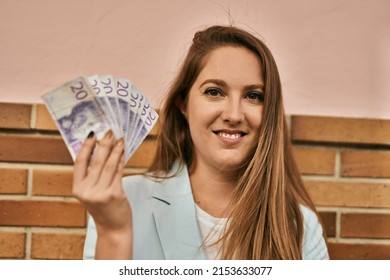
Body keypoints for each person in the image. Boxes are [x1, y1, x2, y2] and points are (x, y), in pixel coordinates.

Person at [73, 25, 329, 260]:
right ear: (183, 104)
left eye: (253, 96)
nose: (233, 115)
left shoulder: (300, 226)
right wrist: (114, 233)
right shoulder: (124, 200)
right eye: (214, 92)